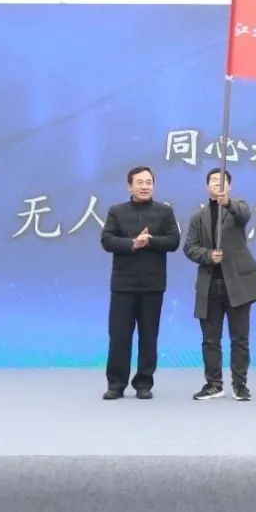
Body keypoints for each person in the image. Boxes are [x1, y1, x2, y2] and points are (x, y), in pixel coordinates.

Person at [183, 168, 256, 402]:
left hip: (238, 285)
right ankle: (213, 384)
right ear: (206, 187)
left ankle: (240, 385)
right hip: (210, 285)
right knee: (210, 339)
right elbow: (189, 247)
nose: (217, 184)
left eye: (222, 181)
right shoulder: (198, 217)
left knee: (239, 338)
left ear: (229, 186)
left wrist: (228, 203)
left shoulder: (237, 208)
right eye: (213, 181)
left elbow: (244, 215)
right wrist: (208, 255)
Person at [100, 165, 180, 400]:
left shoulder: (164, 211)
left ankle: (144, 383)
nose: (145, 187)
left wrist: (150, 240)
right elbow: (107, 240)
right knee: (119, 336)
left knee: (148, 336)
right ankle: (116, 384)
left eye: (149, 182)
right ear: (129, 186)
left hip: (152, 285)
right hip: (123, 286)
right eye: (140, 182)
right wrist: (133, 243)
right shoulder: (117, 211)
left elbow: (174, 241)